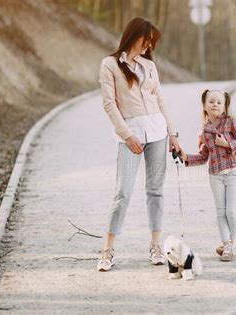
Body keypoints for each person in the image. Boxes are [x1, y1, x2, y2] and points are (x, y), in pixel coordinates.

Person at [97, 17, 180, 271]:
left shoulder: (149, 66)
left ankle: (155, 246)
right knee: (122, 192)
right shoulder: (110, 64)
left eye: (152, 42)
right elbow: (109, 104)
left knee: (155, 190)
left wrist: (173, 133)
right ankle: (107, 250)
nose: (149, 46)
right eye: (147, 40)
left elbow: (160, 100)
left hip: (157, 132)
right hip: (129, 134)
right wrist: (127, 135)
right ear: (135, 36)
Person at [179, 89, 236, 261]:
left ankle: (229, 242)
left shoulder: (231, 122)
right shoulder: (204, 131)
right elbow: (203, 157)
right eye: (211, 102)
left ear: (224, 106)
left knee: (231, 211)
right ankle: (227, 245)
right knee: (220, 212)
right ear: (204, 106)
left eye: (219, 102)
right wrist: (185, 157)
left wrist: (227, 143)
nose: (215, 104)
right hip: (215, 175)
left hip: (233, 171)